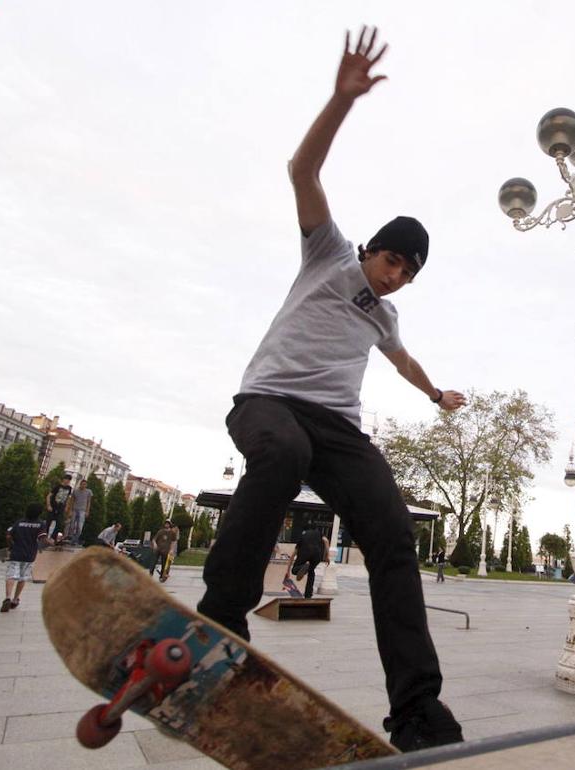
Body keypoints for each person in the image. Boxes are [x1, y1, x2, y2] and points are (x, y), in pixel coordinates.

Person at [194, 26, 466, 753]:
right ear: (372, 248)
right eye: (391, 261)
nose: (394, 276)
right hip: (269, 404)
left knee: (392, 536)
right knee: (279, 458)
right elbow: (302, 170)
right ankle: (222, 615)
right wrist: (341, 100)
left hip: (339, 429)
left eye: (408, 272)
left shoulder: (388, 314)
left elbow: (402, 361)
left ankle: (417, 709)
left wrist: (437, 394)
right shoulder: (329, 253)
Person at [2, 503, 49, 612]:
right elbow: (43, 538)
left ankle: (7, 597)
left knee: (11, 575)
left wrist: (10, 545)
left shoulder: (19, 522)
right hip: (29, 555)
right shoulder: (40, 524)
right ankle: (15, 599)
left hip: (16, 553)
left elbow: (8, 535)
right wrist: (51, 542)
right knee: (23, 577)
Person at [291, 528, 330, 599]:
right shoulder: (319, 533)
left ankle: (302, 567)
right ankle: (308, 594)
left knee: (294, 570)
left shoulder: (303, 537)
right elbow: (326, 541)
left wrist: (288, 570)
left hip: (305, 552)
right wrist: (327, 556)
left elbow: (293, 554)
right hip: (317, 554)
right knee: (311, 572)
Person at [45, 473, 74, 540]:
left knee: (59, 523)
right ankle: (44, 536)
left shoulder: (69, 488)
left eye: (69, 480)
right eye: (66, 479)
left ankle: (53, 537)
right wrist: (48, 505)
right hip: (53, 506)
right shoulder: (57, 486)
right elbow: (49, 496)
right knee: (48, 522)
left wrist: (67, 507)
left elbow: (67, 498)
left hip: (61, 507)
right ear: (63, 479)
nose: (67, 481)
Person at [66, 479, 93, 546]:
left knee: (79, 527)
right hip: (75, 509)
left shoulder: (88, 492)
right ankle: (70, 538)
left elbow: (89, 502)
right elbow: (72, 501)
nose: (83, 486)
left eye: (85, 484)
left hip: (82, 511)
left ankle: (75, 540)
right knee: (72, 525)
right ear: (80, 484)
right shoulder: (75, 491)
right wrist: (70, 510)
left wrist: (87, 511)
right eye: (82, 484)